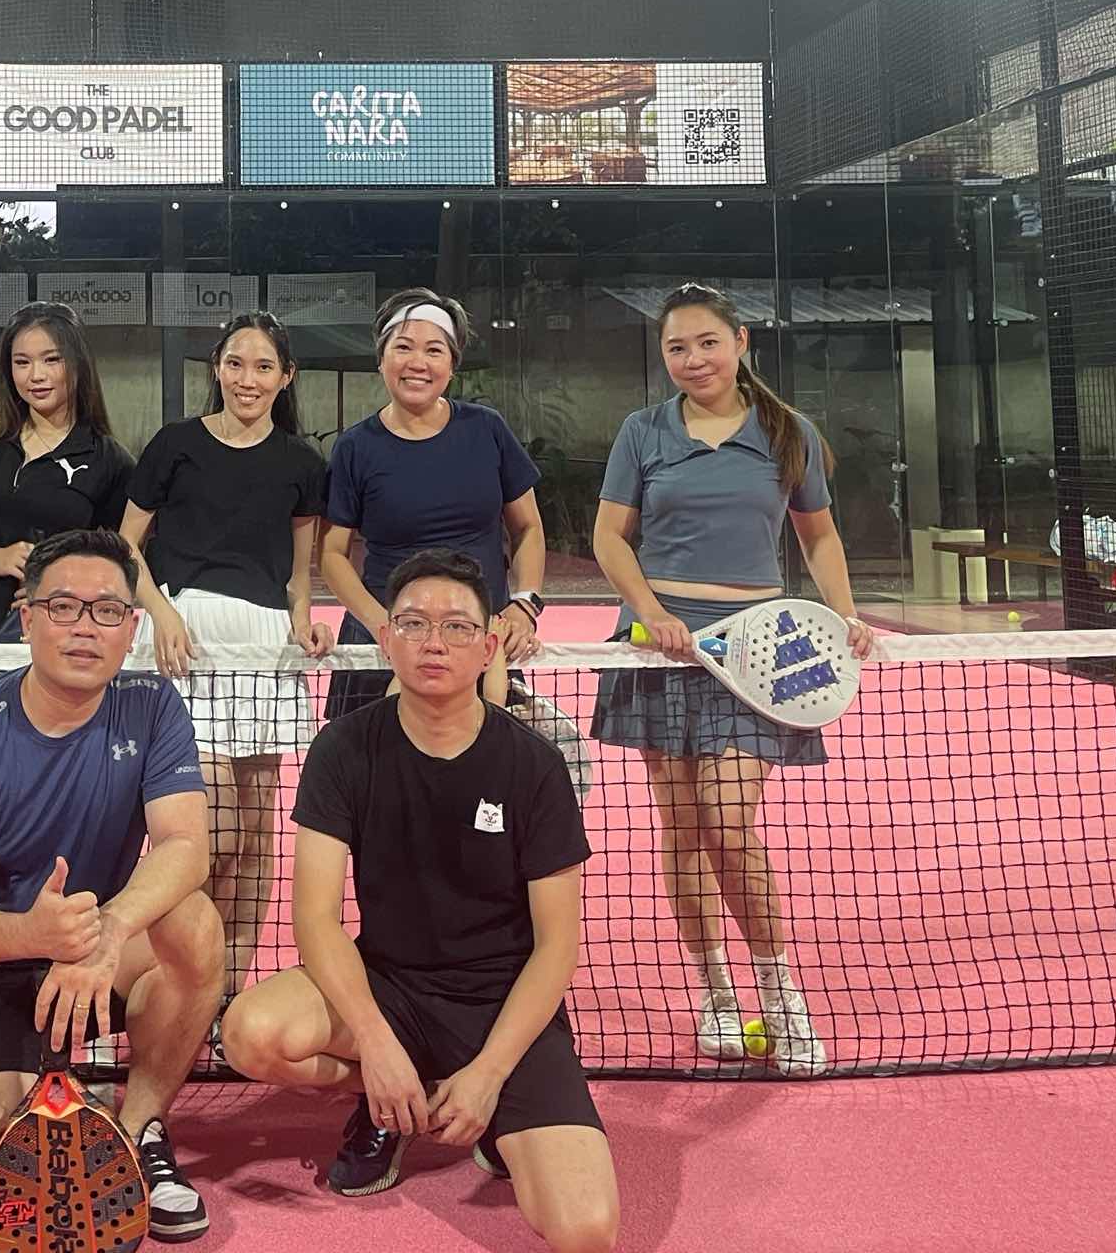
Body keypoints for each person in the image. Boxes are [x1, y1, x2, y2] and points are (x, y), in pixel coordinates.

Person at [221, 548, 617, 1253]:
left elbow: (558, 947)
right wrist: (377, 1046)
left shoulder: (534, 764)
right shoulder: (343, 749)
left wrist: (489, 1074)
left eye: (457, 626)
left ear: (489, 647)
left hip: (500, 1002)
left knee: (585, 1230)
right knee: (250, 1032)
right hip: (391, 988)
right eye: (413, 623)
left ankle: (477, 1102)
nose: (434, 642)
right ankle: (385, 1105)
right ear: (385, 638)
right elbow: (315, 919)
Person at [0, 527, 224, 1242]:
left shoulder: (152, 706)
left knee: (194, 921)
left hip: (92, 952)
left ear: (131, 629)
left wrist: (107, 930)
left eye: (107, 611)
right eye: (63, 607)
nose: (85, 627)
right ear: (27, 619)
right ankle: (43, 1109)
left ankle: (138, 1131)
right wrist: (29, 933)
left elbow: (184, 847)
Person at [589, 282, 874, 1078]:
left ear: (740, 342)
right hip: (661, 648)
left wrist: (844, 613)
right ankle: (716, 995)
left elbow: (819, 538)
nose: (693, 359)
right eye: (677, 348)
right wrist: (652, 613)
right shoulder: (642, 432)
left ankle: (781, 996)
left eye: (707, 342)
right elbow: (610, 538)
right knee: (683, 829)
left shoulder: (788, 432)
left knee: (726, 819)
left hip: (757, 653)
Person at [120, 311, 331, 1004]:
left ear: (286, 377)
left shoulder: (302, 464)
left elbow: (298, 573)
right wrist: (161, 612)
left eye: (264, 366)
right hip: (185, 650)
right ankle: (183, 982)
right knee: (214, 833)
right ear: (217, 368)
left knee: (259, 831)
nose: (248, 379)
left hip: (264, 651)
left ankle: (228, 996)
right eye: (236, 363)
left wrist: (304, 623)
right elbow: (126, 546)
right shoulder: (175, 445)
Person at [0, 300, 193, 672]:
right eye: (22, 362)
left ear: (77, 364)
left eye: (51, 360)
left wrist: (56, 588)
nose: (36, 375)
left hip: (54, 644)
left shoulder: (109, 460)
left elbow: (117, 557)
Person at [319, 288, 547, 718]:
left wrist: (524, 604)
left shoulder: (487, 430)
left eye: (434, 350)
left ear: (452, 364)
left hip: (477, 640)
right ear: (381, 358)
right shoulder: (355, 447)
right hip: (381, 649)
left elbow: (528, 528)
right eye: (403, 347)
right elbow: (332, 554)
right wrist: (385, 627)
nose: (417, 363)